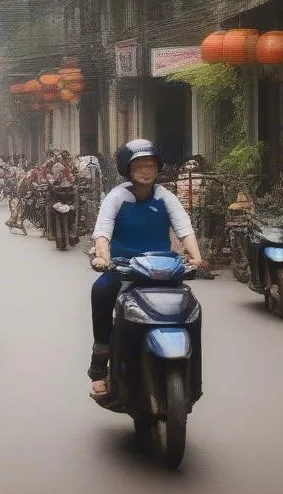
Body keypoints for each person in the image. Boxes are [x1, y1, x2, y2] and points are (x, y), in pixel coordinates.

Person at [87, 138, 209, 398]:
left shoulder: (166, 197)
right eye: (139, 166)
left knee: (192, 309)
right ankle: (101, 359)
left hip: (163, 271)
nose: (145, 171)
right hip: (124, 268)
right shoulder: (117, 196)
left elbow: (184, 228)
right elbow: (103, 231)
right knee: (101, 290)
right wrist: (103, 257)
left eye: (150, 165)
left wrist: (197, 258)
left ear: (158, 168)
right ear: (128, 170)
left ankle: (193, 378)